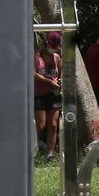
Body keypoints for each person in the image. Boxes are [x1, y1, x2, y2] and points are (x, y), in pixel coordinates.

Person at [35, 32, 63, 160]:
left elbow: (60, 74)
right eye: (53, 46)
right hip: (39, 94)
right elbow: (33, 74)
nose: (54, 50)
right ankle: (32, 150)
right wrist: (49, 82)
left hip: (54, 95)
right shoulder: (37, 56)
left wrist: (60, 81)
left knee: (53, 125)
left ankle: (50, 154)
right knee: (41, 125)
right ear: (46, 43)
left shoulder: (57, 58)